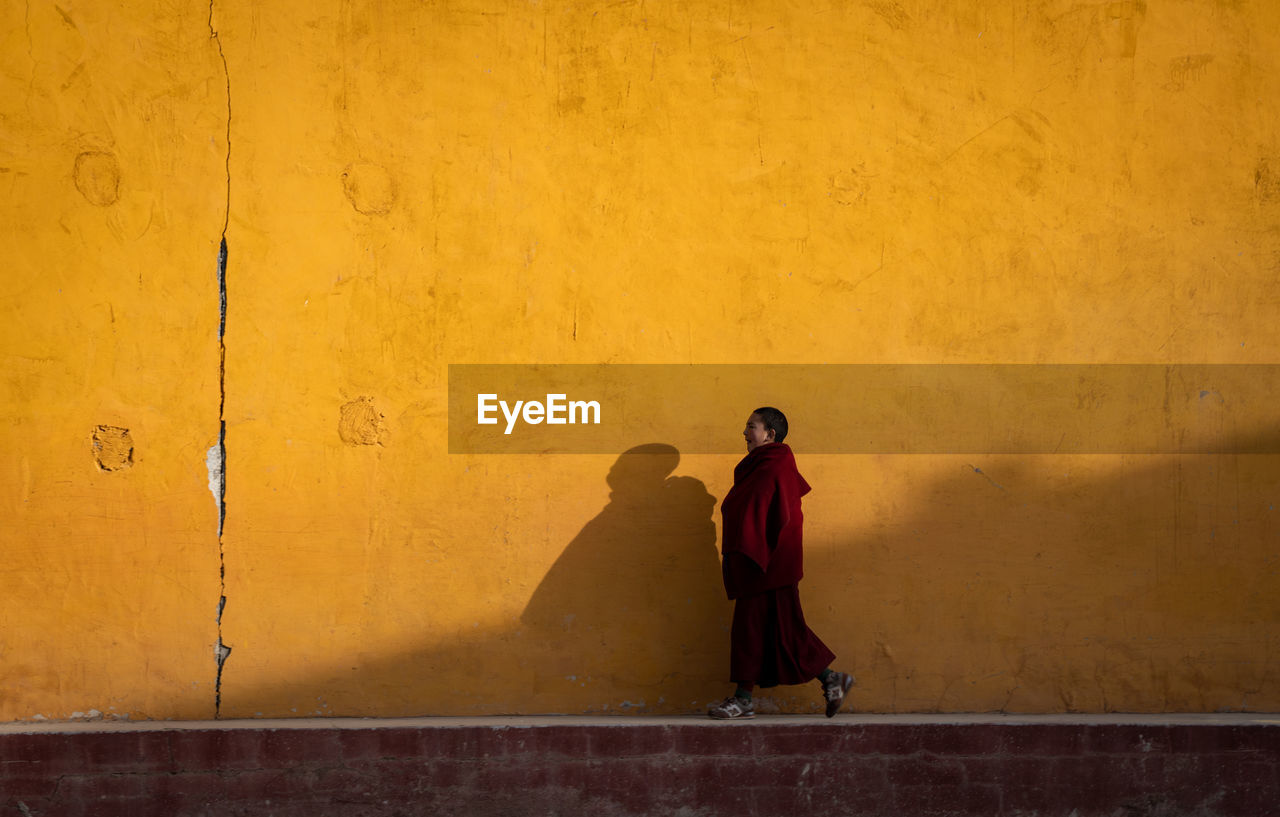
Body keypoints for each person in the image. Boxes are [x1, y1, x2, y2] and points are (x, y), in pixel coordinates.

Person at [707, 407, 854, 719]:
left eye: (751, 427)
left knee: (757, 628)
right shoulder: (759, 465)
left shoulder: (775, 463)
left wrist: (755, 549)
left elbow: (773, 512)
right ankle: (831, 679)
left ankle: (744, 699)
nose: (745, 433)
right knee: (778, 630)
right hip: (762, 560)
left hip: (769, 559)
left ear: (770, 434)